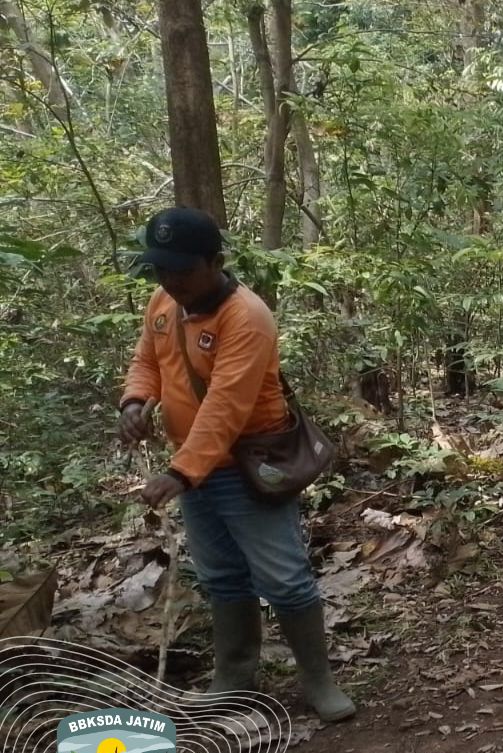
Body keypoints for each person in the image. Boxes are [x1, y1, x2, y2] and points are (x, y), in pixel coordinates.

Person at [118, 207, 355, 723]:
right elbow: (147, 361)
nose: (171, 280)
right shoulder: (163, 303)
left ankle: (318, 679)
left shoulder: (246, 317)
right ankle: (234, 675)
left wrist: (179, 473)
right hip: (193, 470)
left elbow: (226, 405)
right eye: (161, 269)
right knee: (222, 575)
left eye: (183, 269)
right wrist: (134, 401)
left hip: (248, 466)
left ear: (215, 262)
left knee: (284, 577)